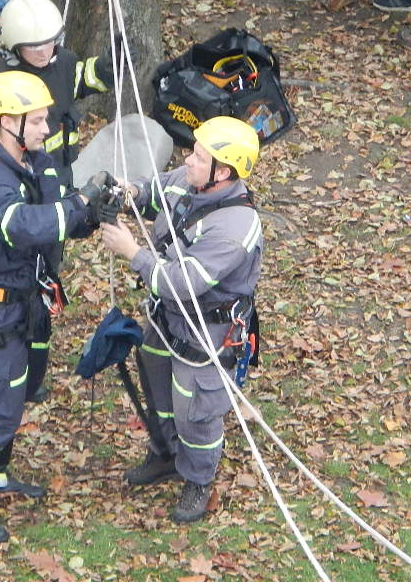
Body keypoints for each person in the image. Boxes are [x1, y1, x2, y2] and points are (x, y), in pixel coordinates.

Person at [0, 70, 110, 544]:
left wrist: (92, 211)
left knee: (24, 386)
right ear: (7, 122)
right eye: (36, 121)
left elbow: (56, 214)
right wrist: (77, 206)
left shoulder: (36, 161)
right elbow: (24, 226)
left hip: (29, 304)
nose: (46, 129)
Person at [101, 116, 263, 524]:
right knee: (157, 385)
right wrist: (130, 192)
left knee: (196, 411)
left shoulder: (235, 228)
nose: (188, 160)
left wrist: (132, 251)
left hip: (206, 331)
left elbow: (181, 283)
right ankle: (164, 453)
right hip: (168, 318)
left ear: (222, 173)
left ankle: (198, 480)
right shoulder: (188, 182)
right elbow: (156, 192)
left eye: (199, 157)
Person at [0, 0, 116, 405]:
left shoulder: (60, 64)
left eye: (51, 42)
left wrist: (109, 65)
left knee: (42, 288)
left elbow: (79, 79)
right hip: (15, 212)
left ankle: (30, 375)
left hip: (53, 195)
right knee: (7, 295)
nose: (45, 51)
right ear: (14, 47)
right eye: (35, 46)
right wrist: (5, 205)